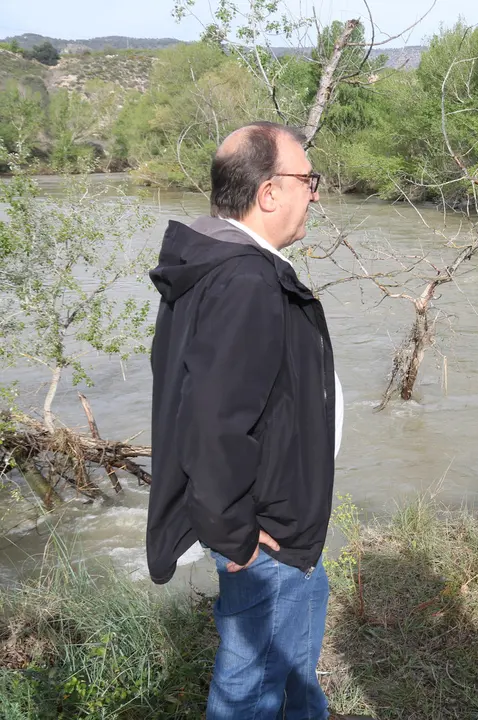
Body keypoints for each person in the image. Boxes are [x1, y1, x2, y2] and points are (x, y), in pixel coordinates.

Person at [145, 122, 360, 720]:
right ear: (269, 193)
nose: (314, 193)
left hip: (279, 524)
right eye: (306, 180)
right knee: (250, 687)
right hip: (266, 532)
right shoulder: (244, 280)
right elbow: (213, 423)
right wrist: (235, 535)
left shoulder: (216, 259)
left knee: (288, 671)